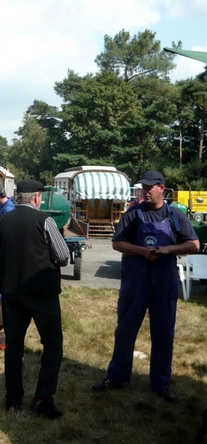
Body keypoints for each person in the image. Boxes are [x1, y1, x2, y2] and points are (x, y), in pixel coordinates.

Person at [91, 170, 199, 403]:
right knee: (125, 331)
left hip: (164, 281)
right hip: (136, 280)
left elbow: (195, 244)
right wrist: (141, 251)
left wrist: (169, 249)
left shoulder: (175, 216)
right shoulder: (132, 214)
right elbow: (117, 243)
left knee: (164, 334)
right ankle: (117, 377)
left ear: (162, 188)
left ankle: (161, 384)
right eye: (143, 187)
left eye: (150, 187)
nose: (146, 191)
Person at [0, 178, 70, 418]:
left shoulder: (2, 222)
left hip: (11, 292)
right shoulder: (44, 220)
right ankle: (43, 398)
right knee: (52, 343)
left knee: (14, 345)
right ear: (37, 198)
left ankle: (13, 398)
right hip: (40, 292)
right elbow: (63, 256)